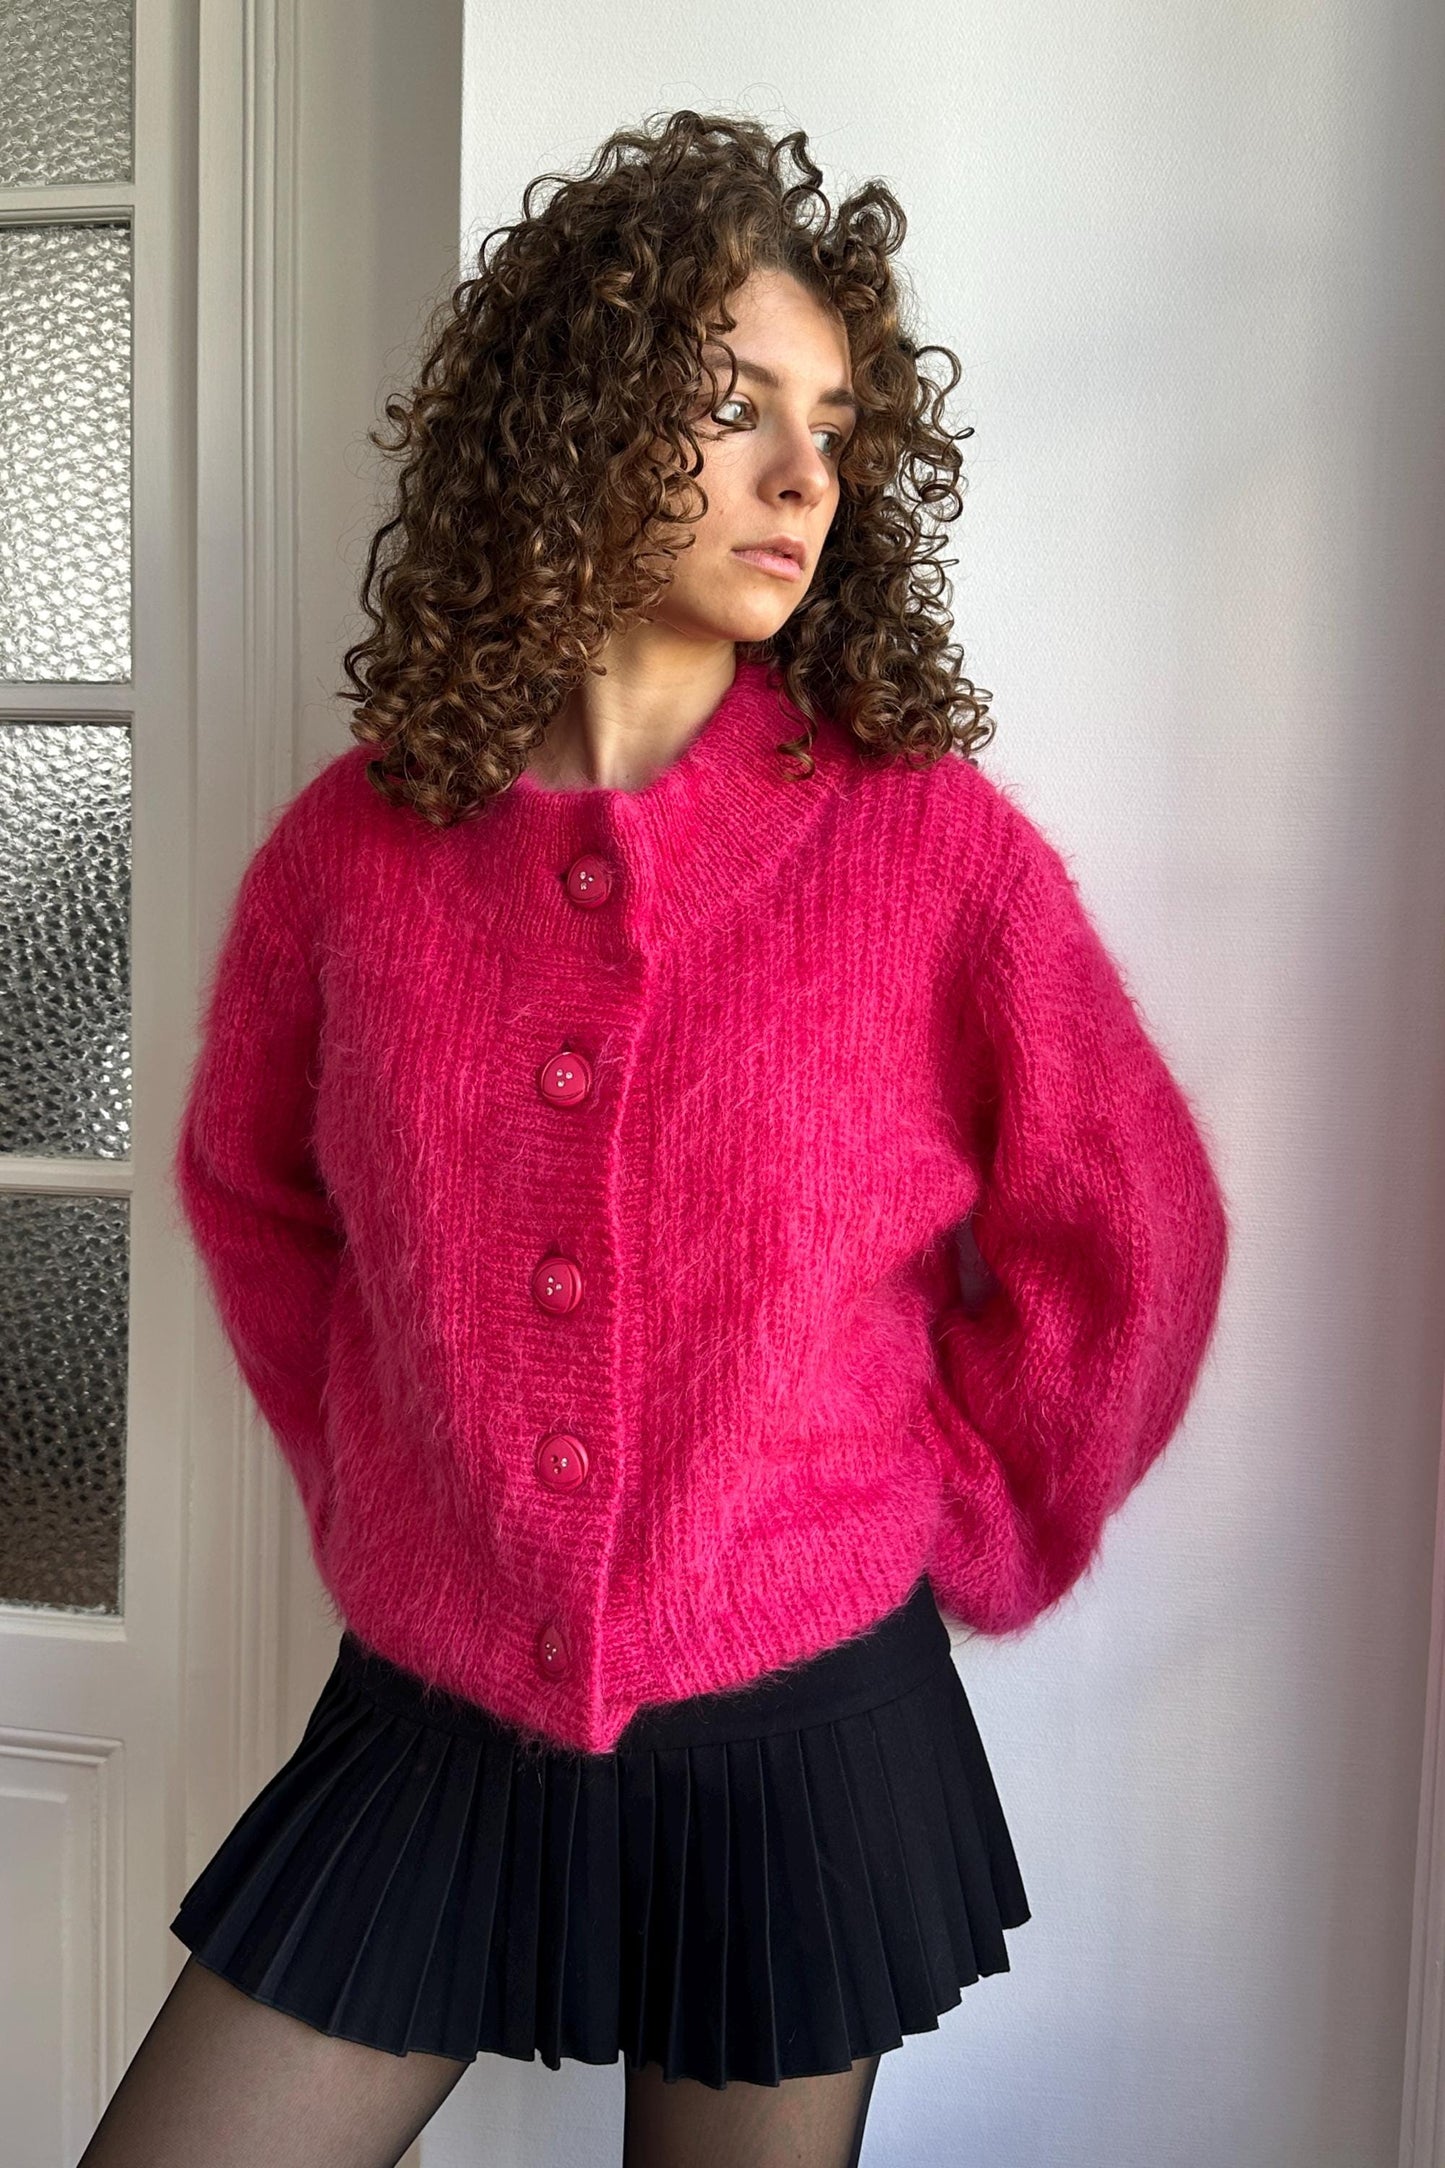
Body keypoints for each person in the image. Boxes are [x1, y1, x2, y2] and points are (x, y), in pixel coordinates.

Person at [79, 109, 1230, 2168]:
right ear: (580, 418)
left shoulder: (924, 853)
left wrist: (959, 1505)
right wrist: (373, 1464)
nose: (805, 476)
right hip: (435, 1696)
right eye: (733, 407)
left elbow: (1126, 1225)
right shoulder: (359, 857)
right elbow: (257, 1187)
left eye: (835, 423)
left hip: (807, 1724)